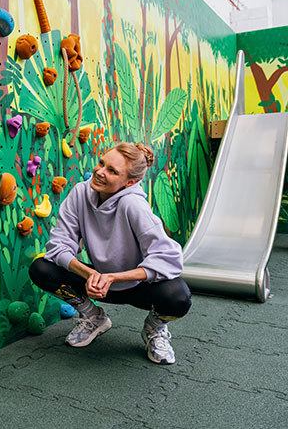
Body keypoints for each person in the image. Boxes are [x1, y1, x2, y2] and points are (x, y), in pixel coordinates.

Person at [28, 143, 191, 364]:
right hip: (98, 283)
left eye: (112, 171)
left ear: (130, 182)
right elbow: (58, 245)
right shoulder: (80, 193)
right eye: (101, 163)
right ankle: (93, 317)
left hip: (137, 287)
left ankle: (154, 328)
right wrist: (89, 274)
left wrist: (114, 277)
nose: (100, 172)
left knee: (178, 296)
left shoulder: (133, 204)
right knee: (41, 268)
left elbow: (168, 258)